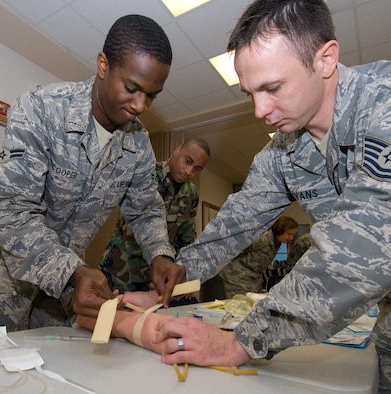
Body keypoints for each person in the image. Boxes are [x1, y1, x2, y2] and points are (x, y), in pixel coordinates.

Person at [129, 0, 391, 390]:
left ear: (325, 59)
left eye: (272, 88)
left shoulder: (382, 106)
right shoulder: (285, 150)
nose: (259, 110)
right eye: (251, 92)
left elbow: (358, 251)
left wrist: (239, 342)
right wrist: (173, 283)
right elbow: (234, 225)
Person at [0, 14, 185, 332]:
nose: (141, 105)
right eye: (132, 88)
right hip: (3, 278)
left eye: (151, 95)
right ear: (104, 66)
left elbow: (146, 209)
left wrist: (160, 254)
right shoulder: (41, 109)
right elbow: (9, 212)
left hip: (63, 291)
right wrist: (74, 271)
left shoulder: (138, 143)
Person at [99, 137, 210, 293]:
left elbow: (185, 239)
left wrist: (180, 275)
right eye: (188, 161)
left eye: (197, 168)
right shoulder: (147, 175)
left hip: (157, 276)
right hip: (121, 269)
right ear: (177, 150)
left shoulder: (191, 194)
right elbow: (133, 225)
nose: (189, 171)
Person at [219, 216, 298, 297]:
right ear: (279, 230)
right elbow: (233, 249)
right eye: (289, 234)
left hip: (254, 278)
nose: (291, 238)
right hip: (237, 277)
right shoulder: (261, 238)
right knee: (240, 305)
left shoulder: (278, 242)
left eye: (293, 235)